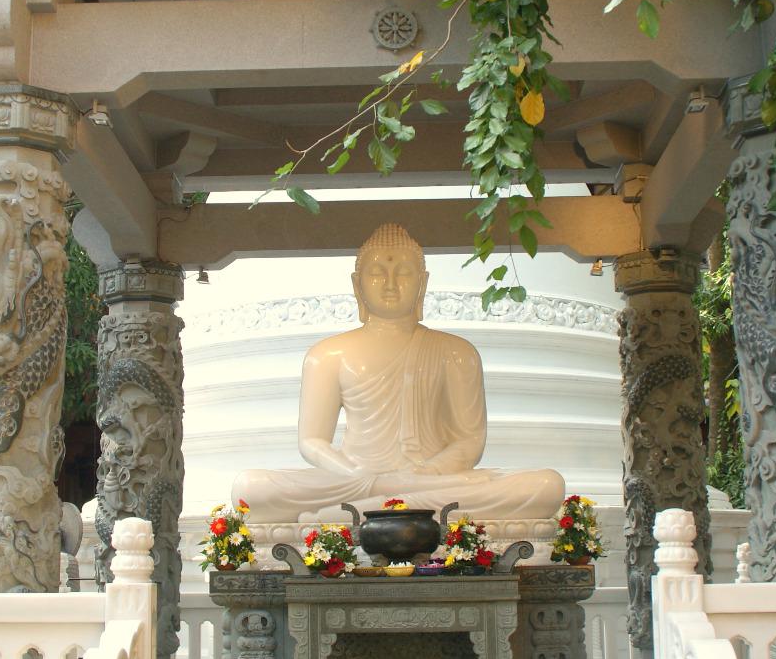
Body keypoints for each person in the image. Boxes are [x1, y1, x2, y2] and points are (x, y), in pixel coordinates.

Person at [232, 223, 564, 521]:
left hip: (430, 480)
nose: (390, 284)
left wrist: (427, 472)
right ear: (357, 284)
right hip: (354, 479)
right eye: (377, 272)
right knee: (252, 487)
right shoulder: (327, 354)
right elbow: (312, 441)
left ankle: (357, 513)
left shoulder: (456, 352)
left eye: (404, 273)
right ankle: (389, 502)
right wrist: (364, 476)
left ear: (423, 283)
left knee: (546, 485)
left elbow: (469, 441)